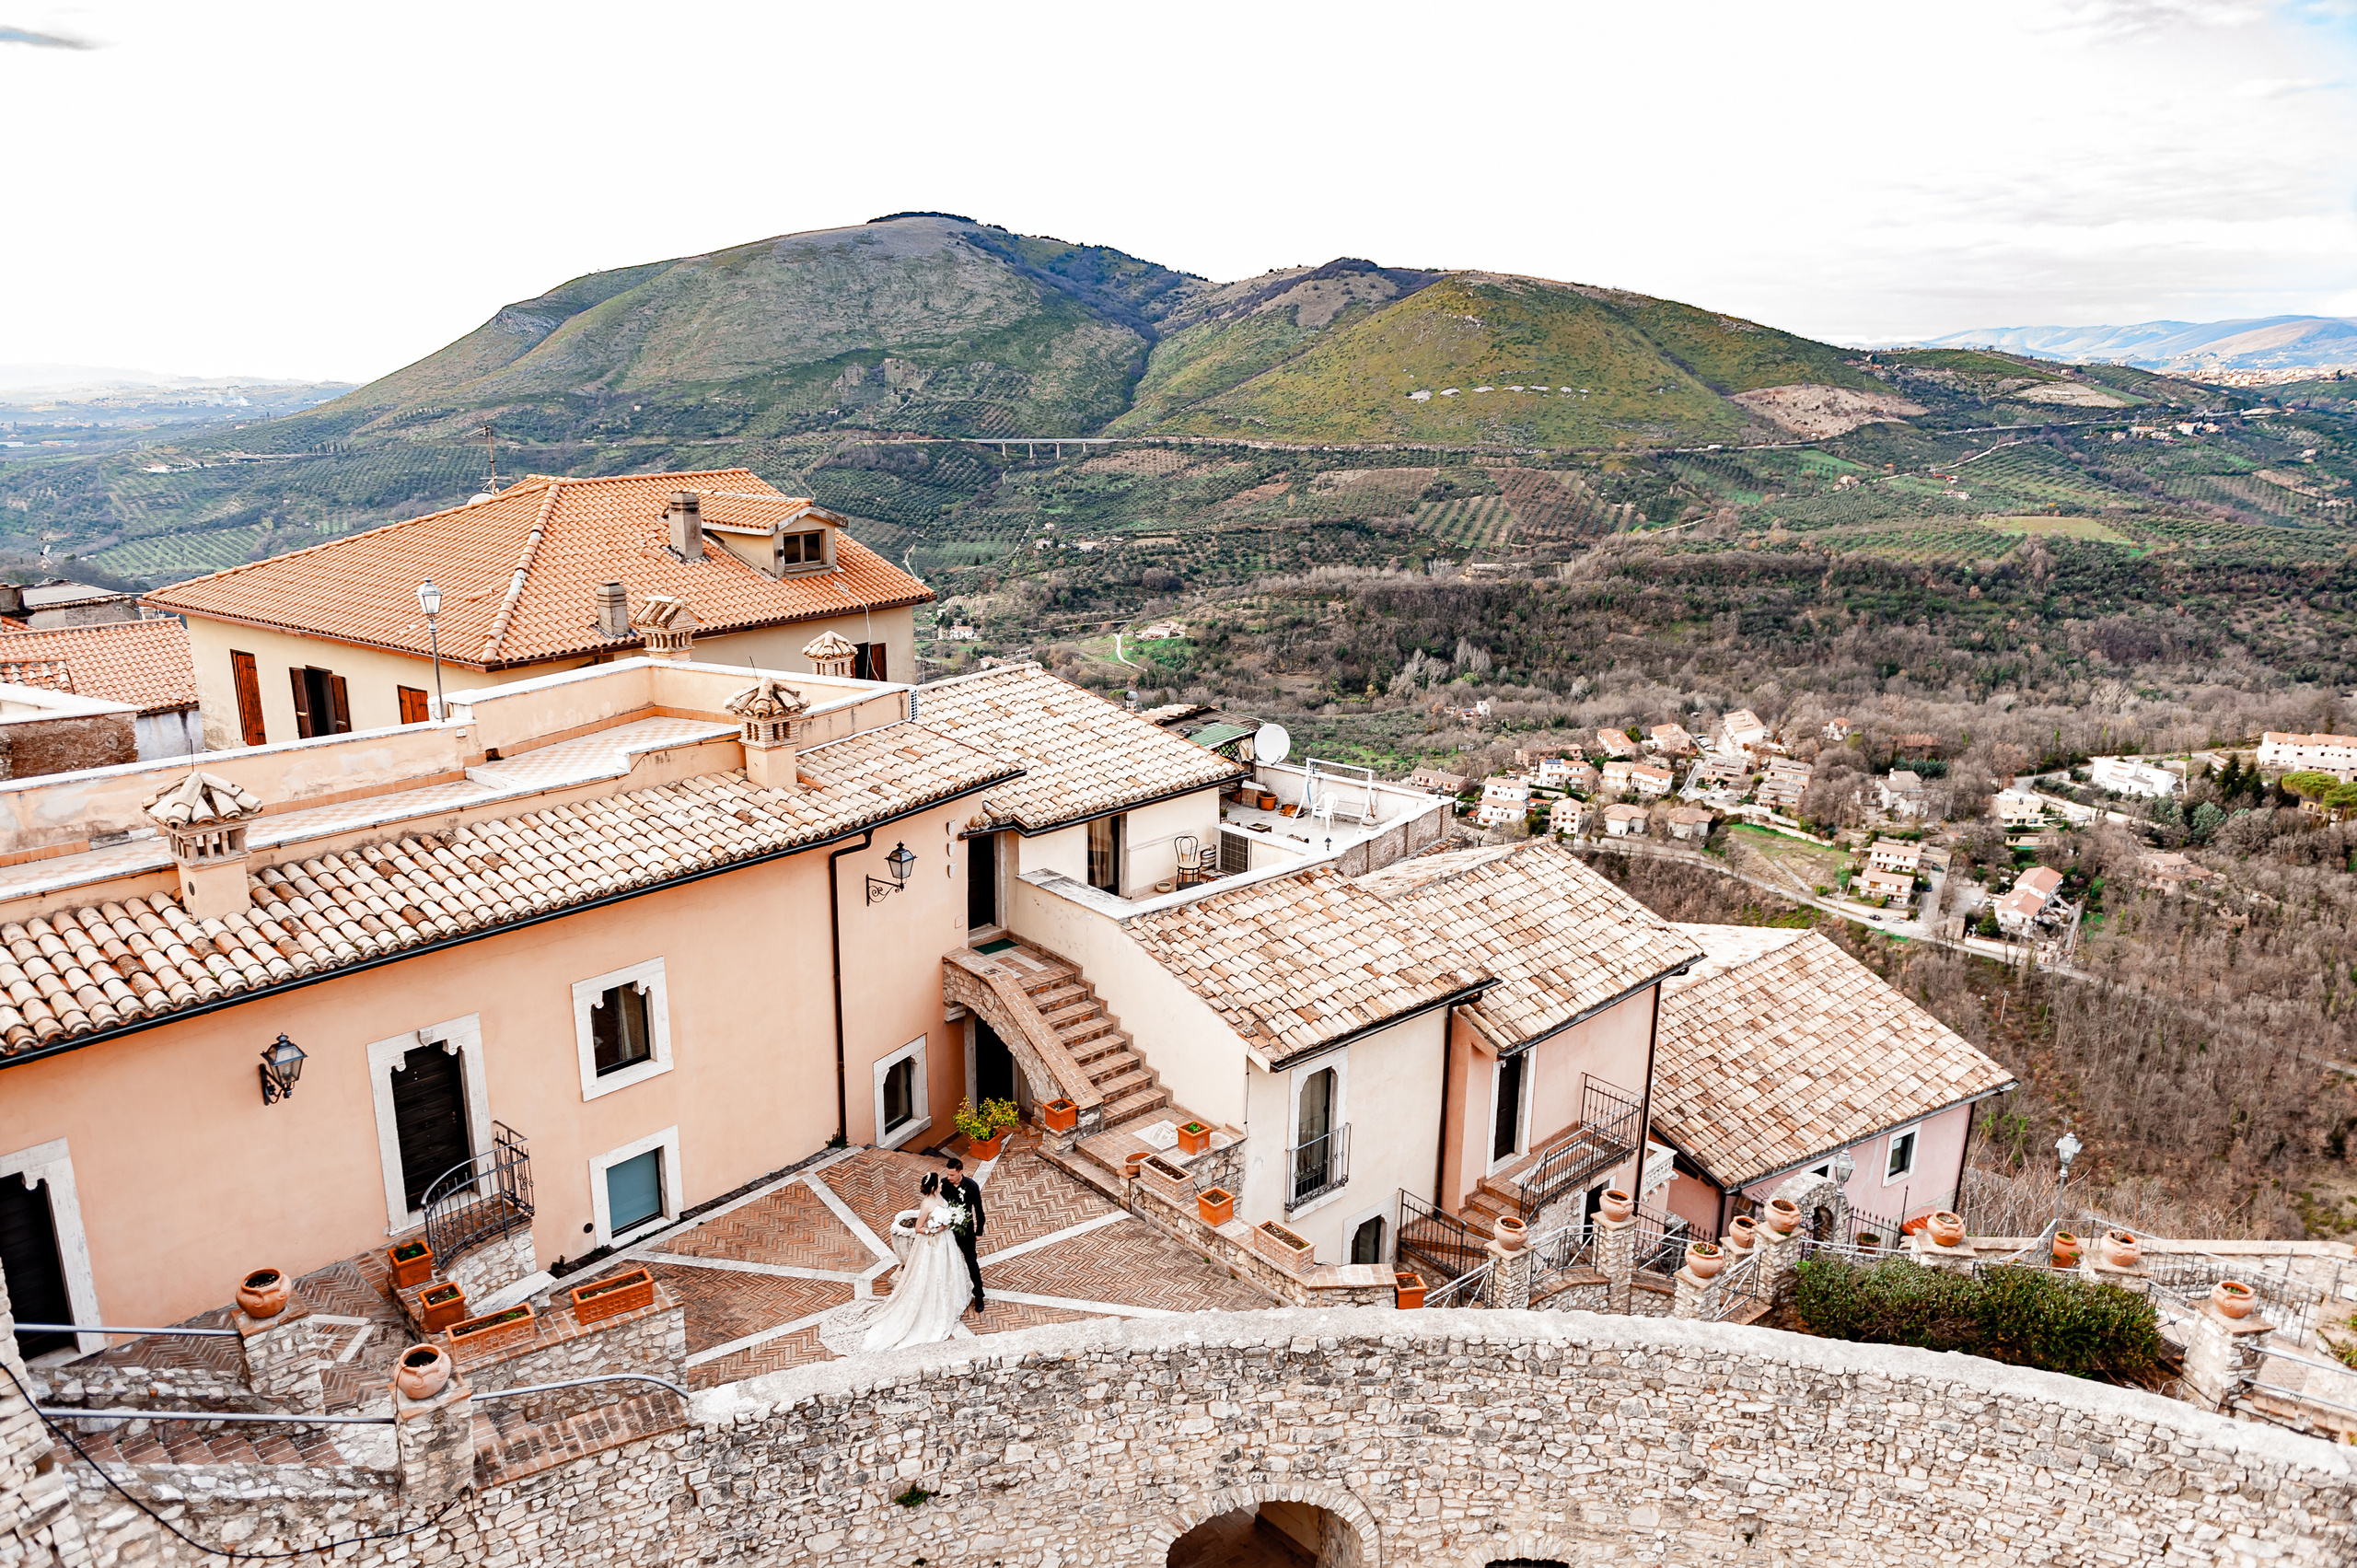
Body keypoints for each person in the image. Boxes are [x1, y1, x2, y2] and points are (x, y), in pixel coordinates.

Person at [814, 1173, 976, 1355]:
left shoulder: (940, 1195)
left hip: (945, 1241)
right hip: (932, 1243)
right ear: (932, 1187)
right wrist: (935, 1229)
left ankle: (949, 1298)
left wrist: (949, 1222)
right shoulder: (926, 1204)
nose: (941, 1182)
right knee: (932, 1273)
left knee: (948, 1269)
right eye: (938, 1182)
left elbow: (946, 1213)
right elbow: (918, 1228)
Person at [944, 1156, 988, 1314]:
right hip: (947, 1229)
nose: (949, 1177)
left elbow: (979, 1210)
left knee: (971, 1262)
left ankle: (979, 1294)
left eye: (952, 1175)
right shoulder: (943, 1184)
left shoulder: (971, 1186)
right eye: (947, 1174)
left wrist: (979, 1231)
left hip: (966, 1230)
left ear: (960, 1172)